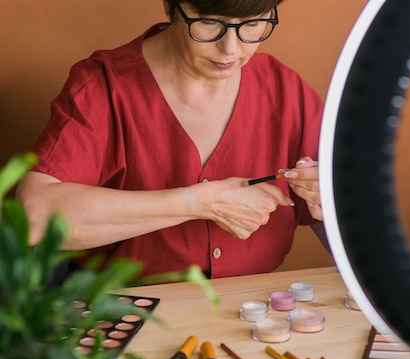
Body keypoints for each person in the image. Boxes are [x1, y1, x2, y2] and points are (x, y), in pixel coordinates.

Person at [16, 0, 327, 280]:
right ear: (170, 6)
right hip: (123, 308)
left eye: (253, 23)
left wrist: (328, 198)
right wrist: (201, 203)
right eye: (209, 22)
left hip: (253, 309)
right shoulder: (103, 86)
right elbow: (36, 216)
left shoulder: (285, 89)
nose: (231, 49)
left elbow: (342, 220)